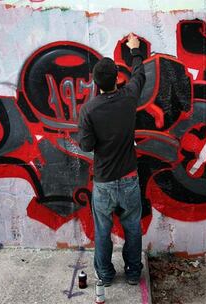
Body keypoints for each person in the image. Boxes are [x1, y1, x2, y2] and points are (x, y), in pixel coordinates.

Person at [77, 33, 146, 286]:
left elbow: (86, 145)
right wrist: (135, 50)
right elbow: (140, 75)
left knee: (103, 230)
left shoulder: (89, 110)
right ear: (117, 78)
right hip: (129, 178)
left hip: (104, 182)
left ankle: (105, 276)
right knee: (133, 227)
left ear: (95, 82)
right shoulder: (128, 97)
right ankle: (132, 273)